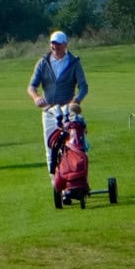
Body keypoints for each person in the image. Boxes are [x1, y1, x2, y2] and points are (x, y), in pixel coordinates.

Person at [27, 30, 89, 169]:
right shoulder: (43, 62)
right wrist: (36, 98)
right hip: (49, 111)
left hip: (68, 110)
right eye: (52, 44)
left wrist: (76, 101)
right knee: (51, 150)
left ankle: (74, 173)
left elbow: (83, 87)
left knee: (74, 144)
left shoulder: (74, 62)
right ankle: (55, 182)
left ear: (65, 44)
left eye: (58, 44)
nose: (55, 47)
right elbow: (31, 87)